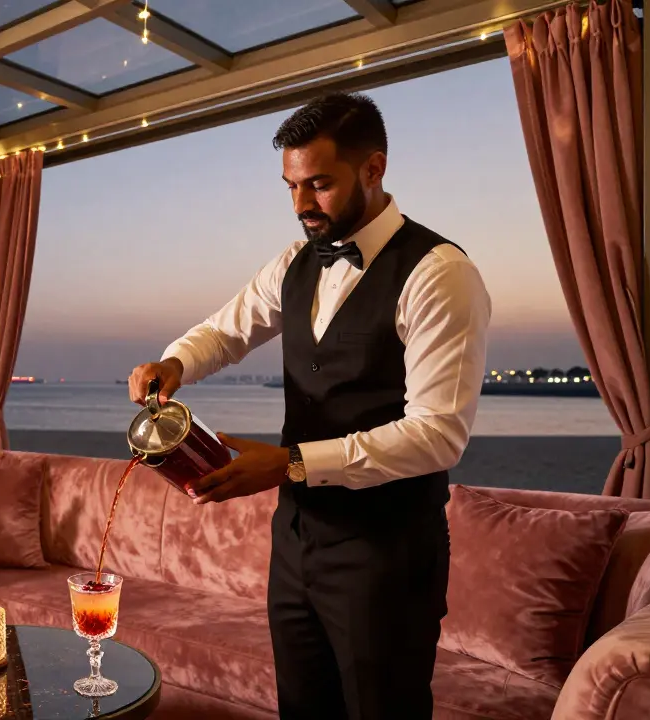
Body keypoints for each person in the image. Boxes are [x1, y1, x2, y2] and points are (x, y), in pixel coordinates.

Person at [127, 92, 490, 719]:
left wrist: (290, 463)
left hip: (388, 554)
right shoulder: (293, 262)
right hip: (295, 545)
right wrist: (176, 362)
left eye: (318, 185)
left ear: (373, 169)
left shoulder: (439, 273)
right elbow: (225, 331)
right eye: (291, 186)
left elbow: (438, 435)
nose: (300, 205)